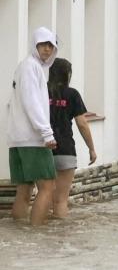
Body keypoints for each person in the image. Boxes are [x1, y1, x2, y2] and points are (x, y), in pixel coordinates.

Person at [7, 27, 59, 226]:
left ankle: (22, 237)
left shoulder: (24, 67)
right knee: (47, 186)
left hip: (18, 139)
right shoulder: (31, 67)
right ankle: (37, 235)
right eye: (43, 45)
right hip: (33, 139)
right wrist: (46, 133)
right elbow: (31, 102)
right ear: (34, 45)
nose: (47, 49)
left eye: (51, 46)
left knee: (24, 187)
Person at [47, 58, 97, 218]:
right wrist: (91, 148)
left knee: (44, 197)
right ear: (67, 75)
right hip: (65, 149)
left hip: (43, 149)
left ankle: (40, 236)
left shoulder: (41, 91)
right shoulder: (72, 94)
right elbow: (82, 124)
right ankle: (61, 239)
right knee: (61, 200)